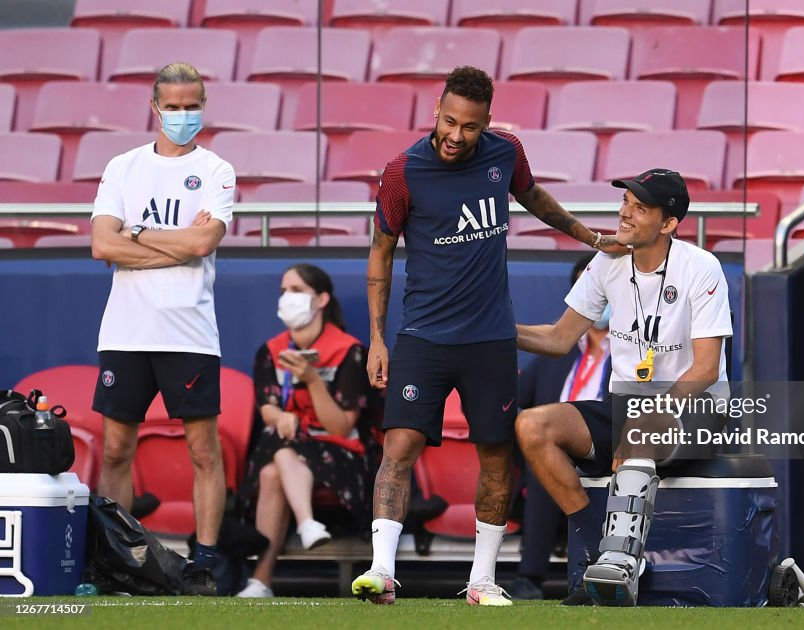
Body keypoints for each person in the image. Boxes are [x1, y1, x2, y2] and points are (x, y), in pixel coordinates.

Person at [351, 65, 624, 607]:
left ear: (487, 123)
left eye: (469, 126)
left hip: (490, 340)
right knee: (399, 447)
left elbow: (536, 198)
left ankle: (481, 582)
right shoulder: (402, 172)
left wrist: (590, 236)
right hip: (424, 337)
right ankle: (382, 571)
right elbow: (380, 254)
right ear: (436, 112)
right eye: (449, 122)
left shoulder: (506, 153)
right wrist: (379, 339)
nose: (456, 135)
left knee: (497, 456)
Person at [515, 169, 732, 606]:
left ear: (668, 223)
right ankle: (596, 552)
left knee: (640, 429)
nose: (626, 214)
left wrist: (652, 414)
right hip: (627, 406)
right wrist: (494, 330)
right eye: (626, 203)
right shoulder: (606, 261)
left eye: (641, 208)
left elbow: (707, 369)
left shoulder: (702, 266)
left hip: (698, 410)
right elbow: (559, 339)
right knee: (532, 426)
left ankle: (621, 561)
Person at [89, 62, 234, 596]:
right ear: (155, 107)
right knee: (115, 451)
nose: (181, 115)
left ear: (203, 104)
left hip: (189, 333)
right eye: (172, 107)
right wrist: (172, 245)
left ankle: (206, 561)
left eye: (190, 105)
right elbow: (102, 245)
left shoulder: (217, 170)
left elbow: (202, 245)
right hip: (125, 331)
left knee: (202, 451)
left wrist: (140, 233)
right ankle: (118, 559)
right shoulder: (122, 166)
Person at [236, 264, 375, 598]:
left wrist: (312, 380)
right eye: (284, 291)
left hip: (341, 454)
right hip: (290, 445)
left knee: (278, 458)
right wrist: (279, 418)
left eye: (296, 291)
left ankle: (262, 579)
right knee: (273, 466)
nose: (287, 298)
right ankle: (303, 527)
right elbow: (266, 405)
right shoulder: (271, 350)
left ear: (322, 299)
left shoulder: (349, 351)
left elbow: (341, 426)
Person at [507, 255, 613, 601]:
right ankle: (529, 577)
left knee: (545, 448)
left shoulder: (633, 352)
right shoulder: (556, 356)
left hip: (609, 445)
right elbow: (513, 397)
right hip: (556, 450)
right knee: (535, 443)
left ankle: (583, 560)